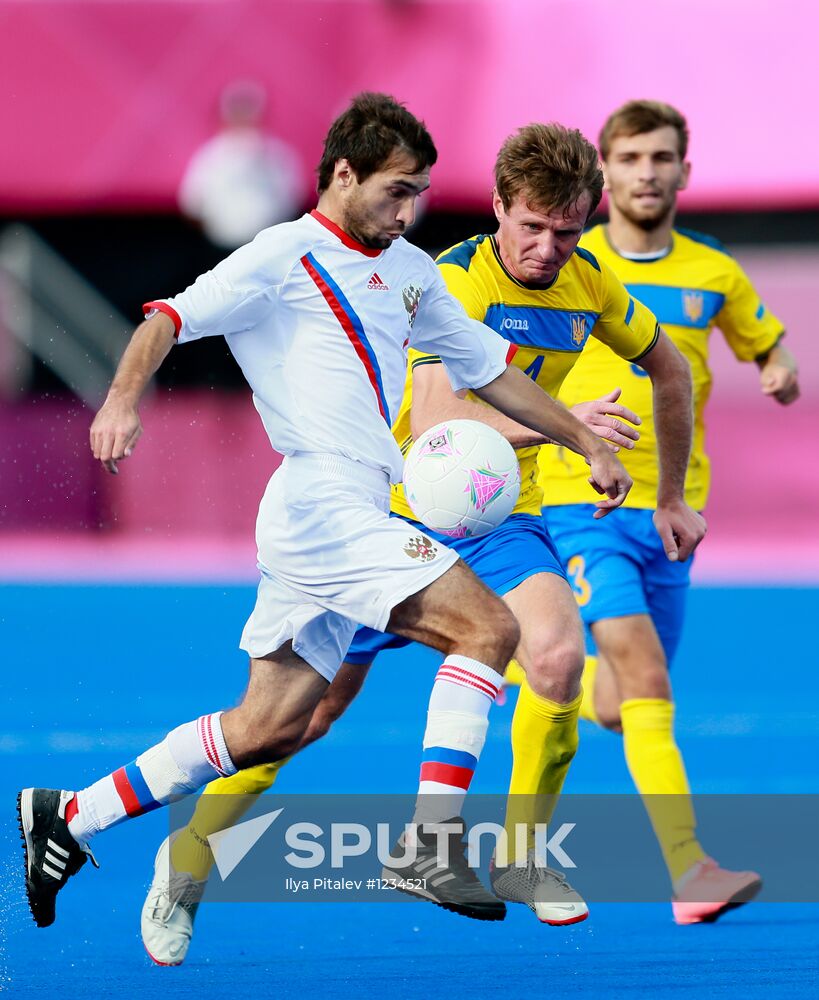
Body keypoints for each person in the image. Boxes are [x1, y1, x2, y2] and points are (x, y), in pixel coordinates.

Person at [18, 94, 634, 934]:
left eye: (418, 192)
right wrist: (121, 401)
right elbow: (168, 318)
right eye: (396, 190)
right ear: (344, 173)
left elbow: (491, 371)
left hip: (341, 507)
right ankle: (428, 845)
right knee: (487, 632)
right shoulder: (280, 255)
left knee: (270, 727)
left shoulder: (413, 270)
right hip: (323, 501)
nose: (409, 209)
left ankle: (69, 813)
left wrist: (585, 444)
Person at [140, 122, 702, 965]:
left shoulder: (590, 285)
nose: (549, 248)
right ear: (499, 207)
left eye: (568, 231)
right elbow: (437, 426)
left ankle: (517, 858)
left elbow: (672, 369)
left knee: (553, 659)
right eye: (532, 228)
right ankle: (185, 861)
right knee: (302, 719)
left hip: (498, 520)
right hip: (392, 515)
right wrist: (562, 431)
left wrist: (667, 495)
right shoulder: (448, 281)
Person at [536, 99, 800, 925]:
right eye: (629, 158)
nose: (645, 172)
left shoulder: (712, 271)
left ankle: (530, 663)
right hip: (580, 500)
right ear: (602, 172)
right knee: (648, 677)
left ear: (685, 171)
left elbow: (763, 339)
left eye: (660, 157)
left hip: (672, 517)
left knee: (619, 701)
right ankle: (689, 871)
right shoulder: (566, 268)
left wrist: (778, 368)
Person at [178, 79, 306, 251]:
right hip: (220, 248)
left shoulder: (279, 156)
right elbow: (192, 204)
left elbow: (292, 198)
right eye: (239, 110)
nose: (244, 117)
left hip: (266, 249)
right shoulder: (209, 156)